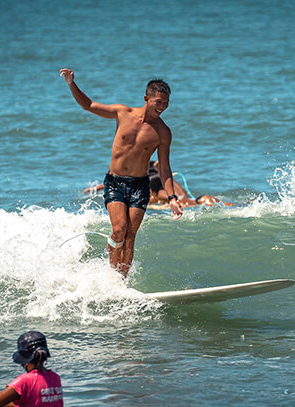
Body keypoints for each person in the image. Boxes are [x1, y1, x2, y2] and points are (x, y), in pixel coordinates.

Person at [61, 68, 182, 277]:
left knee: (130, 237)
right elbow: (88, 105)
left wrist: (172, 197)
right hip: (115, 182)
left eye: (166, 102)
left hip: (140, 186)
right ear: (146, 98)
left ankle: (121, 281)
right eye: (159, 102)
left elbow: (164, 168)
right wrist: (71, 84)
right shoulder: (122, 113)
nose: (163, 107)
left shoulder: (163, 132)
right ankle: (112, 273)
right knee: (119, 230)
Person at [84, 160, 234, 208]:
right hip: (199, 199)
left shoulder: (157, 193)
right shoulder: (159, 178)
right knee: (234, 206)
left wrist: (96, 188)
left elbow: (119, 177)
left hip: (199, 201)